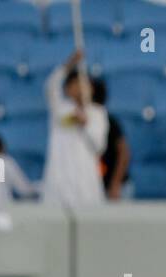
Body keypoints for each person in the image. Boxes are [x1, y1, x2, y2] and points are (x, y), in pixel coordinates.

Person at [42, 50, 108, 206]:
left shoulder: (97, 113)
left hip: (85, 178)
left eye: (83, 83)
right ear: (67, 89)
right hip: (60, 175)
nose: (78, 88)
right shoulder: (60, 108)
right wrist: (69, 64)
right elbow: (51, 87)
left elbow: (99, 146)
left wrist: (86, 124)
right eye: (74, 84)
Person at [90, 79, 131, 199]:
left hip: (115, 188)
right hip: (96, 187)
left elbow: (124, 153)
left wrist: (116, 184)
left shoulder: (109, 122)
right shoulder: (83, 124)